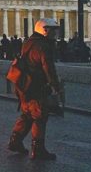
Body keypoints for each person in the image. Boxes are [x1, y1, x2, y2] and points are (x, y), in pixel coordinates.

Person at [7, 18, 63, 160]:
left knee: (27, 114)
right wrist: (55, 85)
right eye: (52, 30)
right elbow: (48, 67)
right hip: (35, 85)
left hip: (23, 85)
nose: (54, 33)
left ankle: (16, 141)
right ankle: (38, 149)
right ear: (44, 30)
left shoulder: (29, 42)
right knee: (40, 116)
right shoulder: (43, 46)